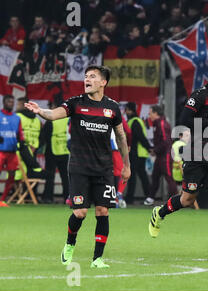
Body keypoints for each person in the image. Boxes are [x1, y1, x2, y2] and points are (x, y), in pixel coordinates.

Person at [25, 65, 131, 269]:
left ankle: (97, 258)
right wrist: (40, 111)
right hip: (79, 167)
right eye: (85, 76)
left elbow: (120, 136)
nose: (87, 79)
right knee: (80, 212)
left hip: (103, 169)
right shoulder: (75, 103)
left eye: (92, 76)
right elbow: (54, 114)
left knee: (102, 211)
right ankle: (70, 243)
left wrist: (126, 165)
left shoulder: (112, 107)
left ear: (103, 82)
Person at [148, 58, 208, 260]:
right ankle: (160, 213)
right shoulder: (199, 96)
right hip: (196, 153)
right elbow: (184, 122)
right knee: (188, 199)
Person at [145, 105, 178, 205]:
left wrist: (155, 150)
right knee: (155, 176)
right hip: (161, 155)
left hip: (166, 156)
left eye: (150, 113)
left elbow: (166, 141)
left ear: (156, 113)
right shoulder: (158, 123)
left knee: (168, 177)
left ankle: (175, 199)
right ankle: (150, 198)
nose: (149, 115)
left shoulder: (162, 124)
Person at [39, 101, 70, 204]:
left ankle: (48, 197)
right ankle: (67, 197)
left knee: (50, 175)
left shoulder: (50, 120)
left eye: (51, 106)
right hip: (65, 151)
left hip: (51, 151)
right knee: (65, 177)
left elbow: (43, 137)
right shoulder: (67, 119)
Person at [124, 102, 153, 205]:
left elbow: (140, 137)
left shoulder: (134, 122)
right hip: (139, 153)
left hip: (137, 154)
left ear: (130, 110)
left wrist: (149, 148)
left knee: (134, 177)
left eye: (126, 110)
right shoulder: (133, 121)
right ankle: (148, 197)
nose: (125, 112)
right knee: (142, 176)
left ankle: (130, 198)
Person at [0, 95, 25, 207]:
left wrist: (22, 141)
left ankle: (2, 200)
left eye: (12, 102)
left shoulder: (16, 118)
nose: (11, 103)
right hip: (1, 151)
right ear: (4, 102)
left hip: (12, 152)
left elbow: (19, 133)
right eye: (9, 101)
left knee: (12, 175)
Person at [112, 115, 132, 208]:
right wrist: (128, 145)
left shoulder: (97, 112)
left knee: (106, 172)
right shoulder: (117, 114)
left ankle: (109, 197)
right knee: (121, 171)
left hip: (100, 147)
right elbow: (128, 131)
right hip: (116, 146)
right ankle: (117, 195)